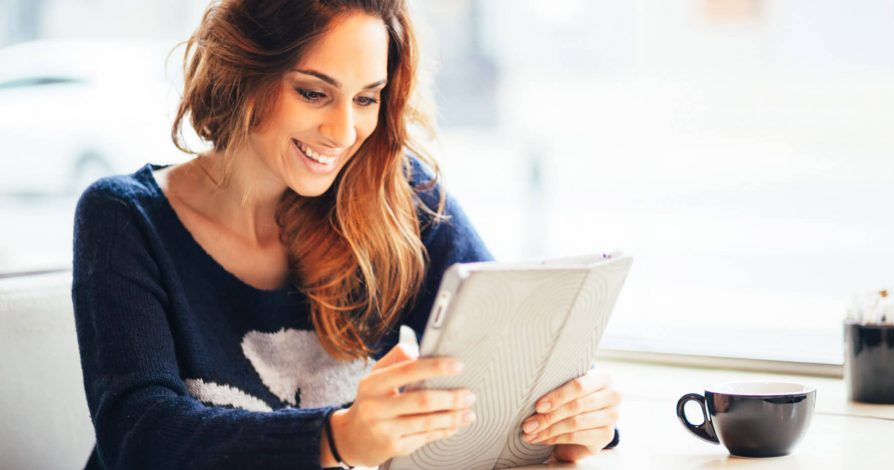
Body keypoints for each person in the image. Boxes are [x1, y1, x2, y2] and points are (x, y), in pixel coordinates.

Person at [71, 1, 621, 468]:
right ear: (244, 74)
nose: (343, 132)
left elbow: (514, 342)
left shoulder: (396, 194)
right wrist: (336, 438)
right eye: (313, 93)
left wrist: (577, 411)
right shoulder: (124, 218)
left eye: (366, 98)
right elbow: (138, 437)